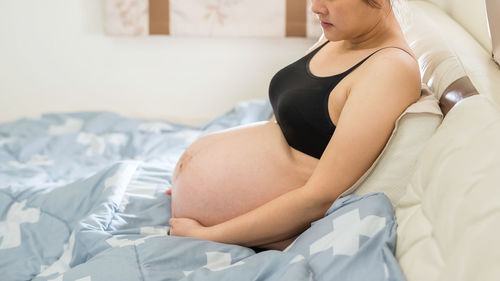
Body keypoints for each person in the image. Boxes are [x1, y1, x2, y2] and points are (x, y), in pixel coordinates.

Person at [167, 0, 421, 251]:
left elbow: (321, 196)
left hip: (246, 229)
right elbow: (293, 121)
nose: (315, 7)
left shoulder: (391, 69)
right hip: (199, 208)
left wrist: (207, 236)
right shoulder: (340, 36)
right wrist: (194, 177)